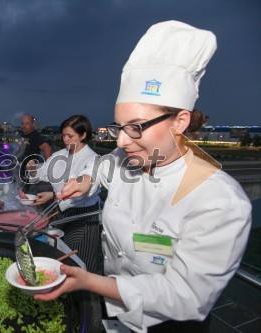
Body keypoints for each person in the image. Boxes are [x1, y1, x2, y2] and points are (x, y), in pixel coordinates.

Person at [35, 21, 252, 333]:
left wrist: (88, 282)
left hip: (167, 323)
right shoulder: (128, 158)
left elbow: (186, 295)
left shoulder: (219, 200)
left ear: (180, 121)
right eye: (119, 127)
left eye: (136, 127)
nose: (122, 141)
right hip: (115, 306)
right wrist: (85, 182)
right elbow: (99, 169)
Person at [27, 115, 102, 273]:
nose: (65, 139)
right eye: (63, 135)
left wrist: (54, 196)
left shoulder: (93, 159)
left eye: (70, 136)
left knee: (80, 260)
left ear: (83, 135)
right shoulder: (59, 155)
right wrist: (33, 169)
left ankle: (87, 296)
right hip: (60, 213)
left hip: (82, 217)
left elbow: (84, 190)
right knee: (60, 255)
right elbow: (43, 172)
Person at [17, 114, 52, 182]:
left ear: (33, 124)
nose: (24, 126)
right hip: (21, 171)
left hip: (30, 174)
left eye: (27, 123)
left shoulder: (35, 135)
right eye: (22, 123)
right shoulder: (24, 135)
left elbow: (47, 148)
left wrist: (49, 167)